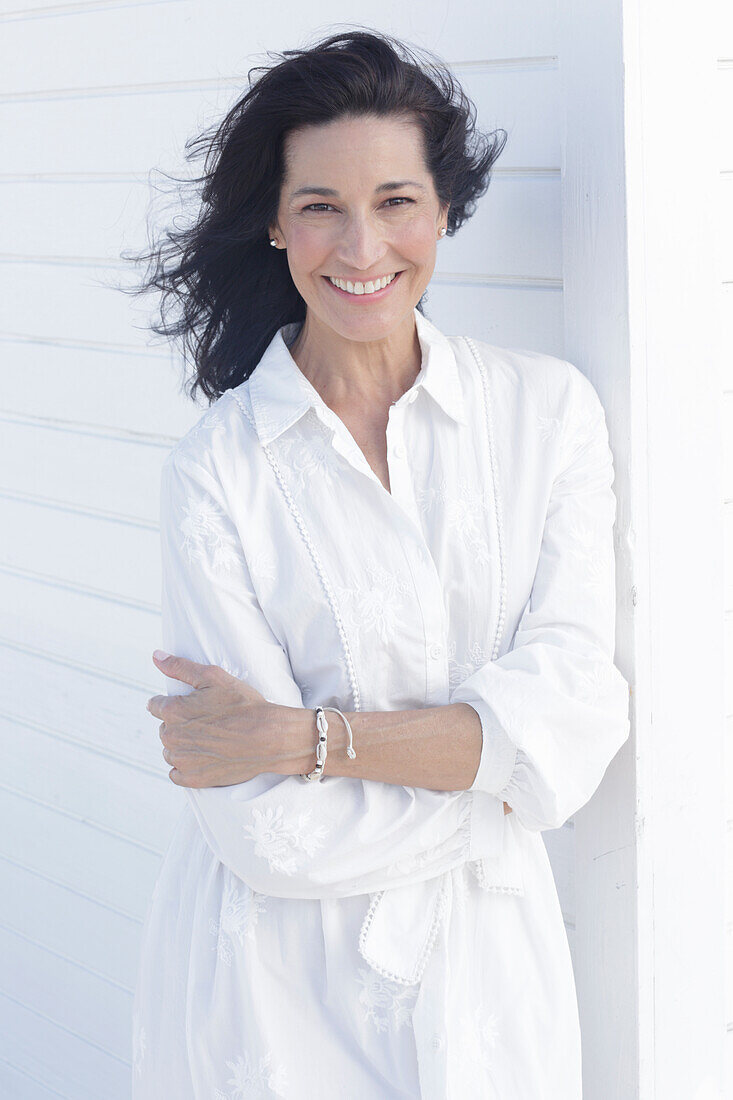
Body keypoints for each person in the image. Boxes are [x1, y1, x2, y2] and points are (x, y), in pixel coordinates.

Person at [130, 28, 631, 1100]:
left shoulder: (546, 415)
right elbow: (267, 830)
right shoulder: (218, 471)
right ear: (274, 221)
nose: (361, 247)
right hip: (273, 996)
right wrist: (503, 775)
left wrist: (303, 736)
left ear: (444, 209)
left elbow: (580, 715)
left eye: (396, 200)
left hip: (491, 982)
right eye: (321, 205)